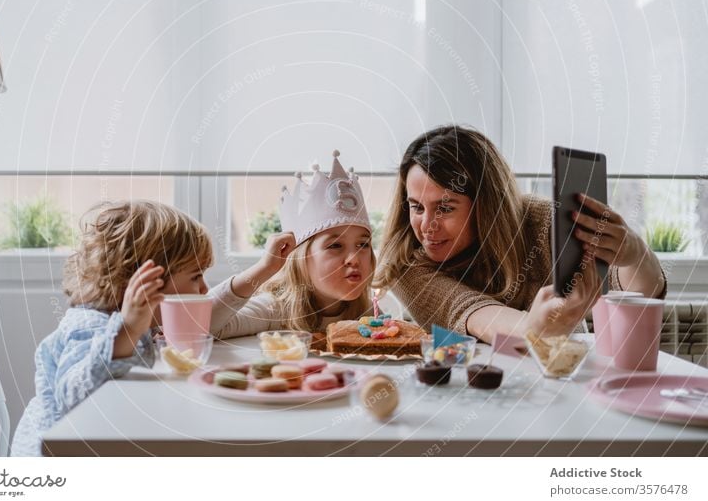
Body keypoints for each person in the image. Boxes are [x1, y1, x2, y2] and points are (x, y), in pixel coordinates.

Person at [374, 125, 666, 344]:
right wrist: (533, 329)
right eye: (416, 207)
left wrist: (634, 254)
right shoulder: (405, 263)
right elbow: (475, 315)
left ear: (486, 206)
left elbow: (639, 293)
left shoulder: (540, 220)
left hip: (562, 382)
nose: (426, 226)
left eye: (445, 208)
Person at [10, 200, 255, 456]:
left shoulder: (140, 323)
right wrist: (127, 330)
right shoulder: (89, 325)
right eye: (196, 276)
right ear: (147, 279)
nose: (204, 288)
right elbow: (76, 396)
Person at [211, 151, 380, 338]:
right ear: (300, 257)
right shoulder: (275, 310)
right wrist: (264, 268)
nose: (354, 259)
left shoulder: (370, 312)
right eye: (335, 246)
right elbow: (199, 325)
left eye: (363, 244)